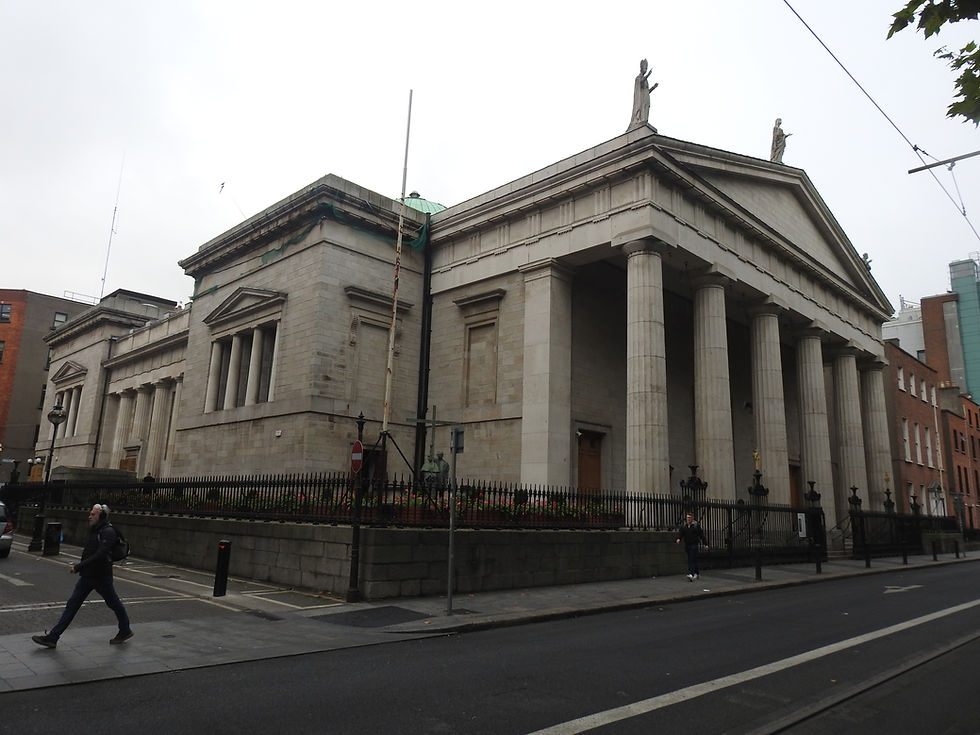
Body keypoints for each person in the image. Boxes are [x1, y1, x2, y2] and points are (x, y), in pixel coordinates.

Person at [32, 503, 133, 648]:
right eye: (90, 514)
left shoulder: (108, 532)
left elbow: (100, 555)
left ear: (102, 516)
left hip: (101, 576)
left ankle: (125, 629)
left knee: (113, 603)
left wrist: (79, 566)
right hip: (88, 576)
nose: (89, 516)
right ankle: (53, 638)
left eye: (93, 514)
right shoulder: (95, 530)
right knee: (72, 605)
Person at [676, 511, 709, 581]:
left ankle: (691, 574)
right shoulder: (684, 526)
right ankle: (696, 573)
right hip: (687, 544)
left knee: (691, 558)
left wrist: (705, 544)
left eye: (689, 518)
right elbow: (681, 533)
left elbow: (701, 535)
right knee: (693, 559)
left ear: (692, 518)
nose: (688, 519)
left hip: (694, 544)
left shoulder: (696, 525)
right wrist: (679, 539)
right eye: (687, 517)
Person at [629, 58, 659, 131]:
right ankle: (641, 120)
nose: (645, 70)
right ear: (641, 68)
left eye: (646, 68)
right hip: (641, 98)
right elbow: (641, 83)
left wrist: (653, 87)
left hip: (646, 97)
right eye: (644, 68)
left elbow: (646, 91)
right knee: (642, 108)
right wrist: (648, 75)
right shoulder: (638, 78)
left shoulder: (646, 80)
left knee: (646, 108)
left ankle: (644, 120)